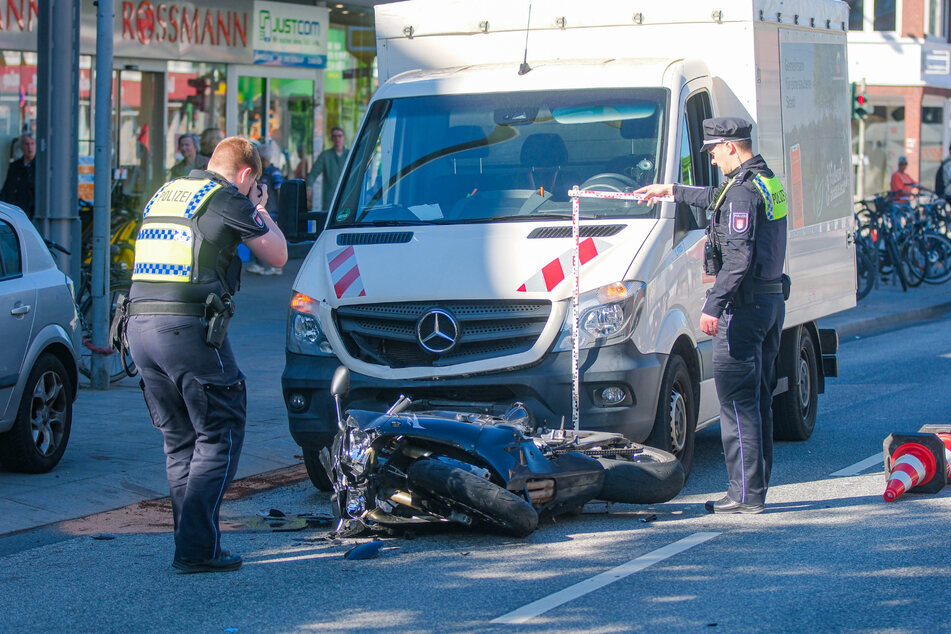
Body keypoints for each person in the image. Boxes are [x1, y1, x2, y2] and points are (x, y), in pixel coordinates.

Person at [123, 136, 287, 573]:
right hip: (185, 329)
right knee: (221, 431)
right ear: (247, 174)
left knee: (180, 442)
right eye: (255, 183)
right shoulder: (228, 197)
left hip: (138, 329)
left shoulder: (167, 191)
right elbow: (277, 255)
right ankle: (197, 547)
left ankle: (192, 544)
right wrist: (261, 208)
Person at [636, 117, 787, 515]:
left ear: (732, 147)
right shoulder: (766, 181)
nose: (714, 158)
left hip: (745, 309)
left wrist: (712, 305)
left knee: (737, 405)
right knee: (757, 401)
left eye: (715, 151)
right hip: (770, 303)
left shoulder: (742, 194)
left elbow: (738, 259)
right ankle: (755, 490)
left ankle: (743, 495)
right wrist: (671, 190)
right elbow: (714, 196)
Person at [247, 139, 284, 276]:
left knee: (268, 236)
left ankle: (274, 266)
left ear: (262, 158)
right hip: (267, 208)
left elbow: (279, 190)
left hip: (272, 209)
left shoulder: (274, 172)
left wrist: (281, 208)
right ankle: (261, 265)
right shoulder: (266, 173)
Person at [307, 126, 349, 210]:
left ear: (344, 138)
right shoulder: (325, 155)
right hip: (330, 199)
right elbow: (313, 173)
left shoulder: (350, 155)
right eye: (334, 136)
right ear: (331, 139)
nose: (337, 138)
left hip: (348, 196)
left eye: (339, 136)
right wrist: (309, 187)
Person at [0, 132, 36, 219]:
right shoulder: (15, 166)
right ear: (22, 146)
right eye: (26, 144)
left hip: (33, 213)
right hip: (17, 212)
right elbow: (7, 189)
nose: (29, 147)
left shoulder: (41, 167)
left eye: (32, 144)